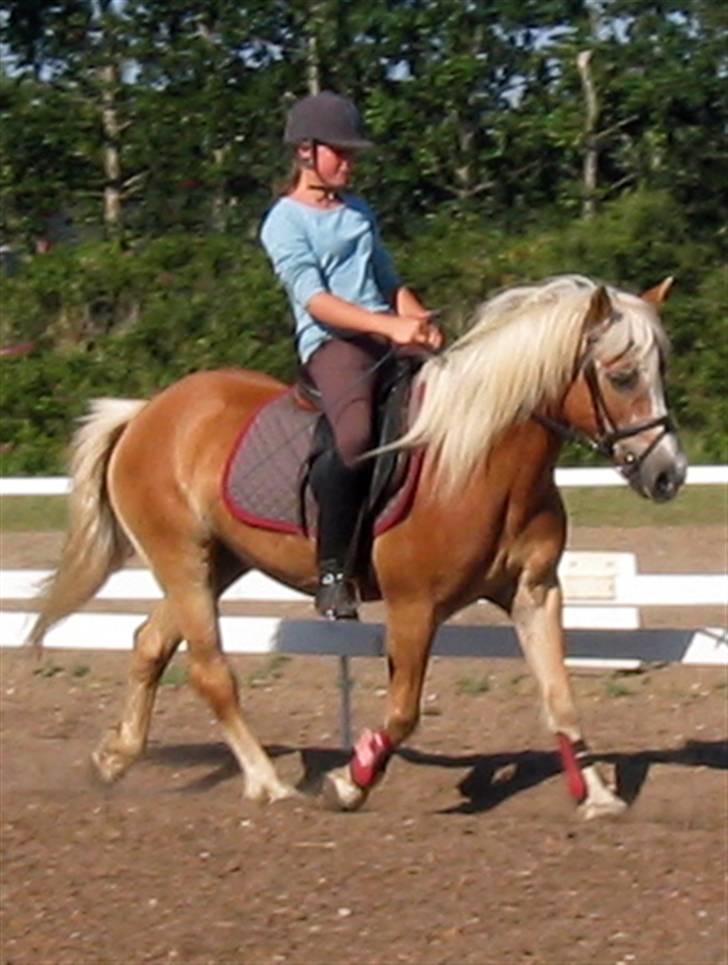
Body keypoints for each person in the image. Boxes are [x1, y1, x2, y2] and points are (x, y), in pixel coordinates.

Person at [260, 90, 442, 620]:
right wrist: (390, 326)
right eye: (339, 152)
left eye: (352, 152)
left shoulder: (358, 210)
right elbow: (315, 299)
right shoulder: (284, 222)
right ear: (304, 153)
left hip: (387, 335)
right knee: (356, 435)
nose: (349, 162)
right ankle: (334, 569)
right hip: (335, 344)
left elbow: (387, 280)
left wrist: (421, 323)